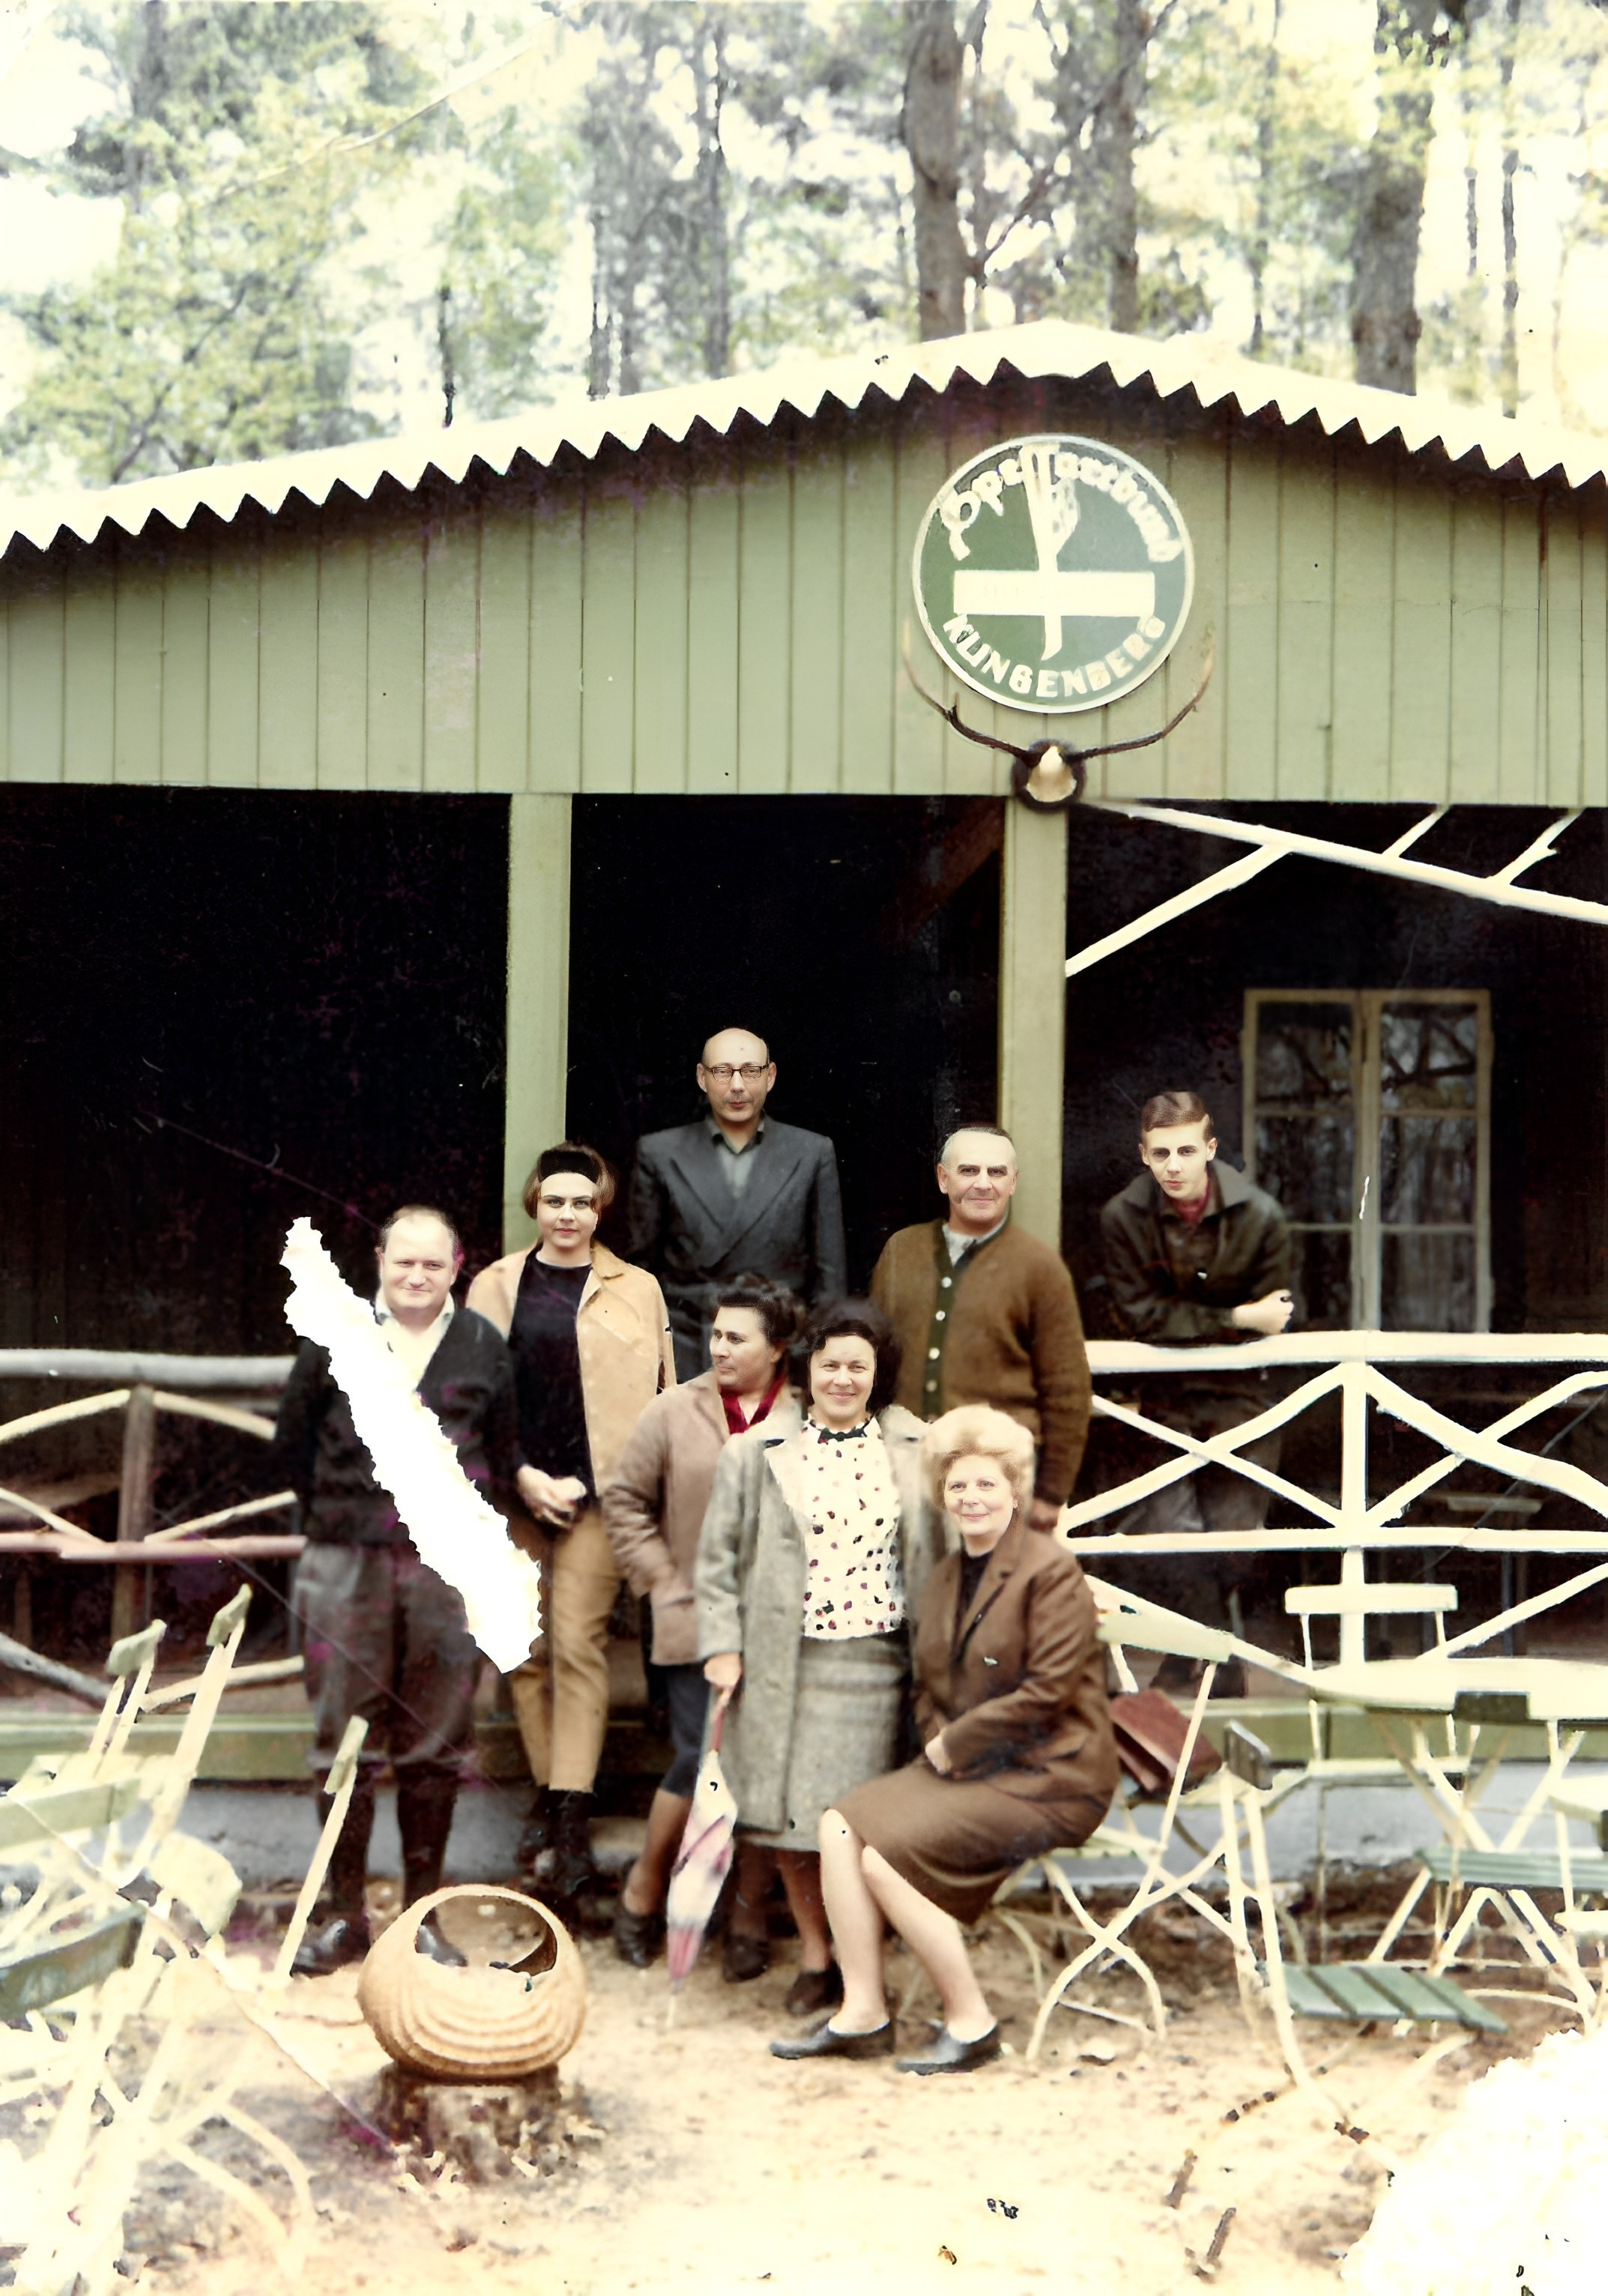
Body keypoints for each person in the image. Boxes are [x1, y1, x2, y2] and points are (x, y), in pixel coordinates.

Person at [773, 1405, 1118, 2072]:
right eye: (958, 1485)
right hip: (975, 1770)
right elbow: (928, 1686)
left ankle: (971, 2021)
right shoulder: (945, 1578)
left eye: (987, 1484)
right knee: (838, 1826)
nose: (971, 1498)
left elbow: (1047, 1694)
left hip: (1052, 1776)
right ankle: (863, 2013)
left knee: (886, 1860)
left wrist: (953, 1748)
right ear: (942, 1495)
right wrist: (942, 1741)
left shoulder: (1050, 1571)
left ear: (1014, 1491)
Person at [271, 1204, 537, 1975]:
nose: (417, 1277)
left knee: (436, 1741)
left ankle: (424, 1917)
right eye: (403, 1262)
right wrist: (348, 1518)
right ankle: (343, 1917)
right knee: (344, 1742)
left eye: (432, 1264)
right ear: (380, 1262)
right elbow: (291, 1446)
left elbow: (502, 1452)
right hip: (347, 1563)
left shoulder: (482, 1345)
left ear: (457, 1266)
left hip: (446, 1570)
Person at [696, 1299, 946, 2017]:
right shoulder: (756, 1453)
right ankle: (816, 1957)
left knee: (866, 1829)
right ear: (807, 1369)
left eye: (857, 1367)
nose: (842, 1379)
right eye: (830, 1364)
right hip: (788, 1665)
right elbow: (716, 1563)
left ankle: (863, 1961)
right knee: (794, 1824)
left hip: (880, 1665)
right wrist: (723, 1649)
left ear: (878, 1374)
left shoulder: (919, 1448)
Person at [468, 1143, 675, 1928]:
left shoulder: (637, 1288)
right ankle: (552, 1798)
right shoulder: (496, 1284)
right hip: (515, 1491)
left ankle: (570, 1820)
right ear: (536, 1204)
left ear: (600, 1208)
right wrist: (519, 1473)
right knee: (525, 1651)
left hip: (597, 1495)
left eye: (582, 1202)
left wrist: (612, 1482)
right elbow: (474, 1393)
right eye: (555, 1200)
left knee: (578, 1644)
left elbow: (661, 1394)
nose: (568, 1214)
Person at [602, 1275, 802, 1972]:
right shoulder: (672, 1410)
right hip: (694, 1622)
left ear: (777, 1348)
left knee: (761, 1766)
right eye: (715, 1335)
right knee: (698, 1760)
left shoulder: (806, 1415)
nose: (719, 1348)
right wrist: (662, 1581)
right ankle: (643, 1890)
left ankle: (747, 1913)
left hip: (782, 1626)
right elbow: (625, 1501)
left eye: (736, 1339)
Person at [1098, 1090, 1295, 1667]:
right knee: (1168, 1533)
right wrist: (1236, 1318)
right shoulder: (1123, 1218)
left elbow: (1278, 1316)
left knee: (1235, 1536)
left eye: (1186, 1151)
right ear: (1143, 1155)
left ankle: (1200, 1658)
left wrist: (1218, 1324)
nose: (1174, 1166)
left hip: (1245, 1396)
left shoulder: (1260, 1216)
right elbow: (1141, 1318)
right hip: (1162, 1398)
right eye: (1160, 1153)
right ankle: (1212, 1660)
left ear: (1210, 1148)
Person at [869, 1123, 1092, 1529]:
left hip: (999, 1473)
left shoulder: (1039, 1267)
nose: (983, 1184)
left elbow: (1068, 1390)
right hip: (907, 1468)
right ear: (943, 1179)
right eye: (969, 1171)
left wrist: (1051, 1492)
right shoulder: (902, 1250)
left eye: (997, 1172)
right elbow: (871, 1358)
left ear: (1013, 1183)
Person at [626, 1025, 847, 1382]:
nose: (738, 1085)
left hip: (779, 1348)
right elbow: (640, 1272)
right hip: (688, 1346)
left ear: (770, 1076)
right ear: (702, 1078)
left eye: (751, 1071)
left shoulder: (811, 1152)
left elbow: (830, 1277)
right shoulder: (659, 1153)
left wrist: (816, 1358)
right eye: (722, 1071)